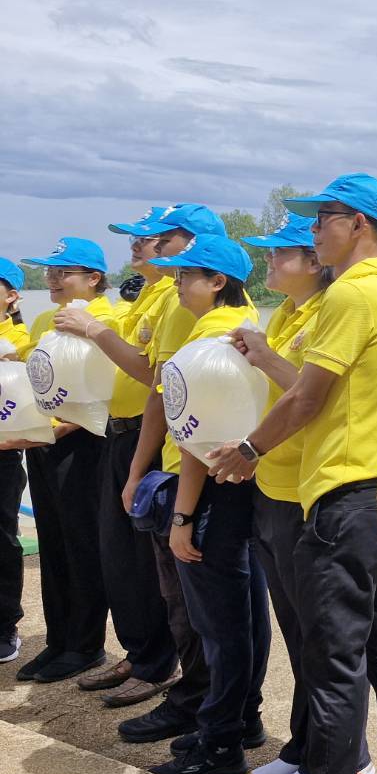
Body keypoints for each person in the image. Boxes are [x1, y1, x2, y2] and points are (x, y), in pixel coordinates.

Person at [211, 174, 377, 774]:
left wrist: (248, 450)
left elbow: (306, 397)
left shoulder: (355, 295)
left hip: (341, 497)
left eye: (321, 219)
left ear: (357, 224)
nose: (311, 232)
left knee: (334, 665)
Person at [234, 215, 374, 774]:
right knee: (297, 632)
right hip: (275, 484)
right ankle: (303, 743)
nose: (267, 263)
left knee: (324, 639)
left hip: (306, 488)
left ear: (313, 263)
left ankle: (348, 758)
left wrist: (264, 357)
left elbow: (310, 396)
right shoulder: (288, 312)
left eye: (278, 254)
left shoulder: (334, 308)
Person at [143, 234, 271, 774]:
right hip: (244, 488)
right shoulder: (247, 327)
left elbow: (199, 443)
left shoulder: (212, 342)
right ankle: (240, 721)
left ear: (217, 282)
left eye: (184, 277)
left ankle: (221, 743)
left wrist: (181, 517)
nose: (175, 286)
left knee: (220, 624)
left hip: (215, 490)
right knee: (244, 613)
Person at [108, 204, 230, 746]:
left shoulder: (196, 315)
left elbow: (171, 398)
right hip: (184, 464)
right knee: (189, 598)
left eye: (154, 239)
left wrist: (150, 480)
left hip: (197, 469)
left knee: (200, 601)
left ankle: (207, 709)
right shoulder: (188, 306)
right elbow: (164, 393)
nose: (142, 247)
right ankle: (207, 705)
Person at [52, 207, 180, 708]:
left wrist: (94, 330)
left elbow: (155, 379)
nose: (135, 244)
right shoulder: (147, 294)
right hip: (119, 430)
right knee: (120, 555)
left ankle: (155, 662)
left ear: (180, 244)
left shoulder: (172, 297)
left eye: (147, 238)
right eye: (135, 237)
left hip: (146, 436)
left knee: (146, 560)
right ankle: (139, 650)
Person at [11, 238, 115, 683]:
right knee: (53, 544)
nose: (52, 280)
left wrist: (58, 428)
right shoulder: (40, 320)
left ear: (93, 278)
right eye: (49, 272)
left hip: (85, 444)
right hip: (43, 443)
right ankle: (58, 640)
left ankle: (86, 644)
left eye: (63, 272)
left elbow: (106, 393)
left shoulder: (110, 319)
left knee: (83, 545)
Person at [0, 258, 30, 664]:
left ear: (12, 296)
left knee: (2, 538)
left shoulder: (21, 339)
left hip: (3, 454)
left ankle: (5, 624)